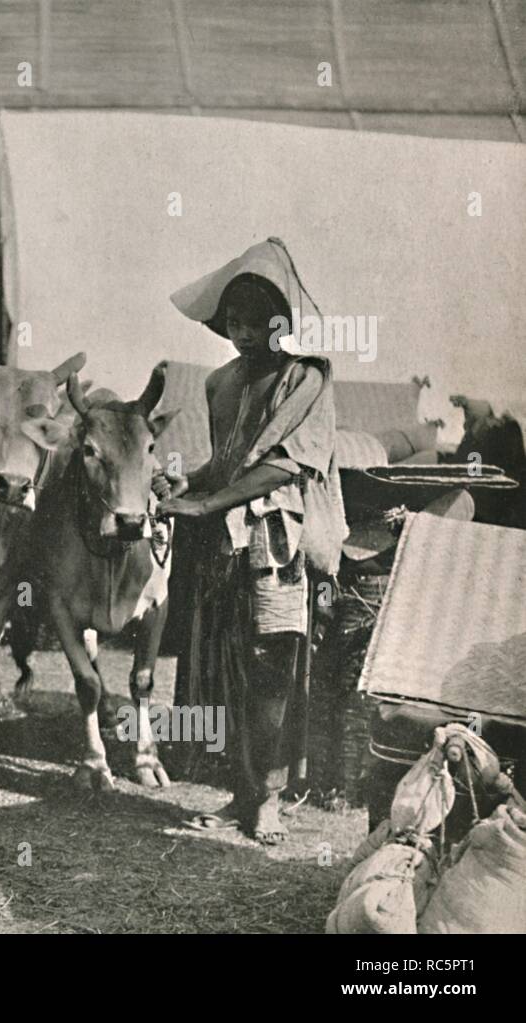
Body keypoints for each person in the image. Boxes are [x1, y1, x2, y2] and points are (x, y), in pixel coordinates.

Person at [160, 237, 346, 845]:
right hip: (225, 546)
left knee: (274, 666)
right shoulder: (219, 384)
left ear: (281, 323)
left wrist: (210, 501)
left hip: (277, 546)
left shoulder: (306, 381)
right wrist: (183, 483)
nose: (242, 334)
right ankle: (241, 791)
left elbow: (289, 463)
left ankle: (268, 797)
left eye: (256, 322)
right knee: (231, 669)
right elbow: (228, 462)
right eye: (232, 322)